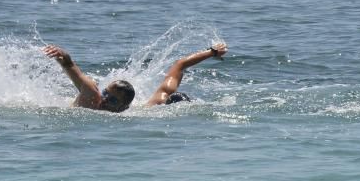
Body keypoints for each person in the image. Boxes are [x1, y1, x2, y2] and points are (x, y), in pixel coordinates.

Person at [43, 42, 228, 112]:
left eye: (112, 101)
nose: (104, 101)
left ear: (124, 107)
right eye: (106, 94)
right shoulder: (91, 97)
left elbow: (179, 65)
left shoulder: (146, 110)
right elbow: (69, 66)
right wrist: (64, 57)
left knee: (178, 98)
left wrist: (212, 52)